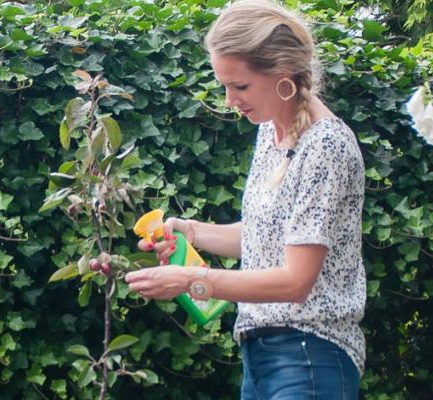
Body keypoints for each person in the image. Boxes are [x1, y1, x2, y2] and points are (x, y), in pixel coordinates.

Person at [123, 1, 366, 398]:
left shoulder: (326, 145)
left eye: (240, 86)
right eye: (224, 86)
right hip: (260, 358)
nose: (229, 100)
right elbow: (262, 238)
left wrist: (191, 280)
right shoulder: (272, 134)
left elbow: (295, 280)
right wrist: (187, 231)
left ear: (282, 73)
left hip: (310, 357)